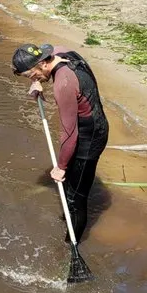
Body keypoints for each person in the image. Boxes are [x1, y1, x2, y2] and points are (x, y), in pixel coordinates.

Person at [12, 43, 109, 242]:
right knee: (69, 187)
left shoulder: (63, 84)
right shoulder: (63, 54)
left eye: (32, 75)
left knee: (76, 198)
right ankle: (69, 217)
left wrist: (61, 167)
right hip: (93, 126)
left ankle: (71, 245)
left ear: (42, 64)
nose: (33, 79)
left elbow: (69, 134)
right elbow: (51, 47)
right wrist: (38, 84)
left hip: (89, 138)